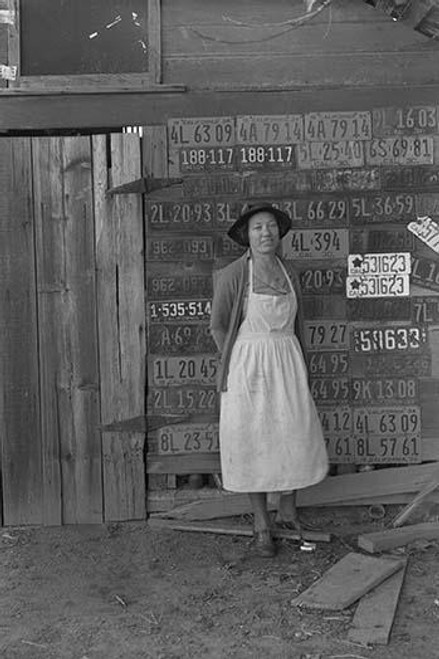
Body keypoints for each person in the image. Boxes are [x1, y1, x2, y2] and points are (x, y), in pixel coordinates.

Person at [210, 202, 329, 557]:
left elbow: (298, 325)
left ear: (279, 233)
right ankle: (262, 523)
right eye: (258, 228)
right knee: (253, 440)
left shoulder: (289, 272)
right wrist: (235, 362)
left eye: (272, 227)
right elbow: (217, 325)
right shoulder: (233, 275)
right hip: (248, 366)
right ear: (247, 236)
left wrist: (302, 366)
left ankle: (288, 510)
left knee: (294, 432)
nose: (266, 233)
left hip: (287, 360)